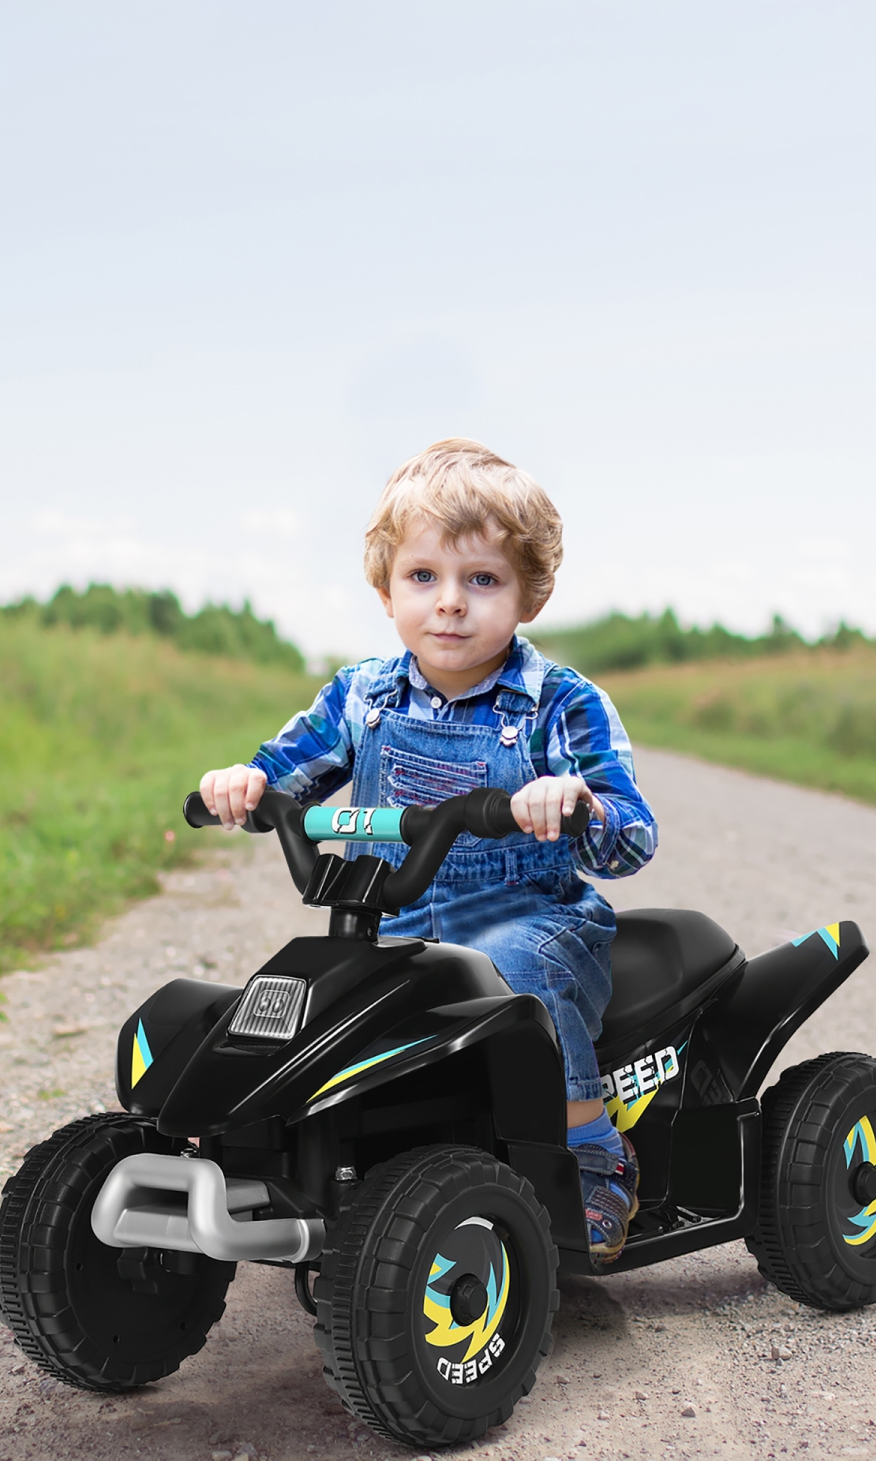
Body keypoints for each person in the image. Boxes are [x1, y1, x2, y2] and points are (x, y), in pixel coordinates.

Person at [199, 438, 658, 1265]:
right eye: (424, 578)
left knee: (517, 966)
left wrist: (576, 802)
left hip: (528, 917)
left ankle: (592, 1164)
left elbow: (632, 836)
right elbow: (284, 771)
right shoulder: (360, 696)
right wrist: (242, 783)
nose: (450, 603)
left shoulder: (563, 704)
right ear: (385, 589)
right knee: (310, 997)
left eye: (482, 580)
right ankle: (317, 1161)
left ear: (529, 595)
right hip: (396, 924)